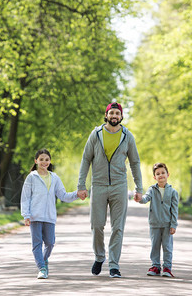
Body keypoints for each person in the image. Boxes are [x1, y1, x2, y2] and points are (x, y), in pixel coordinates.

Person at [77, 102, 143, 278]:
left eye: (117, 113)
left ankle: (114, 265)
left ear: (121, 117)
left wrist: (139, 188)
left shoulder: (127, 136)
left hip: (119, 186)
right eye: (111, 113)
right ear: (106, 115)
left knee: (118, 228)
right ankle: (99, 257)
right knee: (97, 225)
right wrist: (81, 185)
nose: (114, 116)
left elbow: (135, 162)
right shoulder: (96, 134)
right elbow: (85, 159)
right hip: (98, 185)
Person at [21, 148, 86, 279]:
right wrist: (26, 215)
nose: (44, 162)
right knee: (37, 243)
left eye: (46, 160)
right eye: (41, 160)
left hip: (49, 216)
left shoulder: (54, 177)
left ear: (50, 161)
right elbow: (25, 197)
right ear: (36, 161)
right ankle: (42, 268)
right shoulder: (31, 177)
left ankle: (44, 260)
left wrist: (77, 194)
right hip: (35, 216)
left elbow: (63, 195)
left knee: (50, 243)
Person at [135, 162, 179, 277]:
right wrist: (139, 198)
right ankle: (155, 266)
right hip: (154, 224)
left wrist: (173, 224)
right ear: (155, 177)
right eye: (158, 174)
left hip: (167, 224)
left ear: (168, 174)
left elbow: (174, 210)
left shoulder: (173, 192)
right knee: (155, 246)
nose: (161, 175)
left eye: (163, 173)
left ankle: (167, 268)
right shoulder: (152, 190)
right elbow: (145, 199)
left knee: (167, 247)